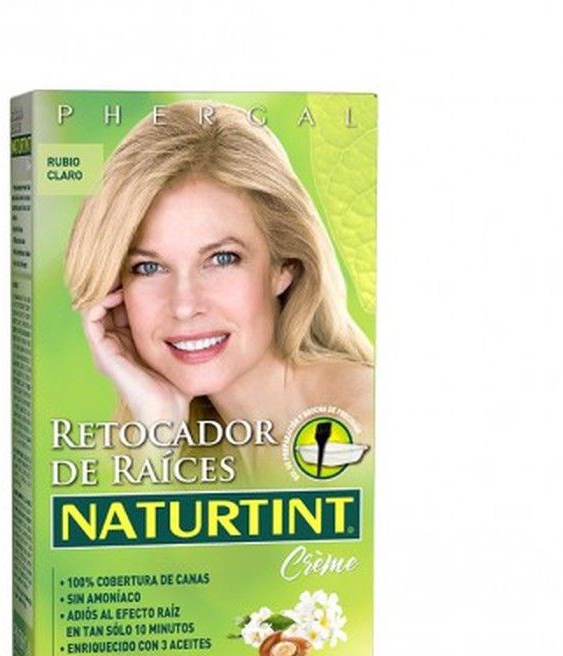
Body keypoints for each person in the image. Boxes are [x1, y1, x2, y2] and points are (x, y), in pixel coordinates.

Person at [66, 102, 373, 469]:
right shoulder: (202, 445)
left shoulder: (364, 426)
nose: (184, 306)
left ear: (284, 267)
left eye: (222, 259)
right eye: (149, 267)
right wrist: (157, 429)